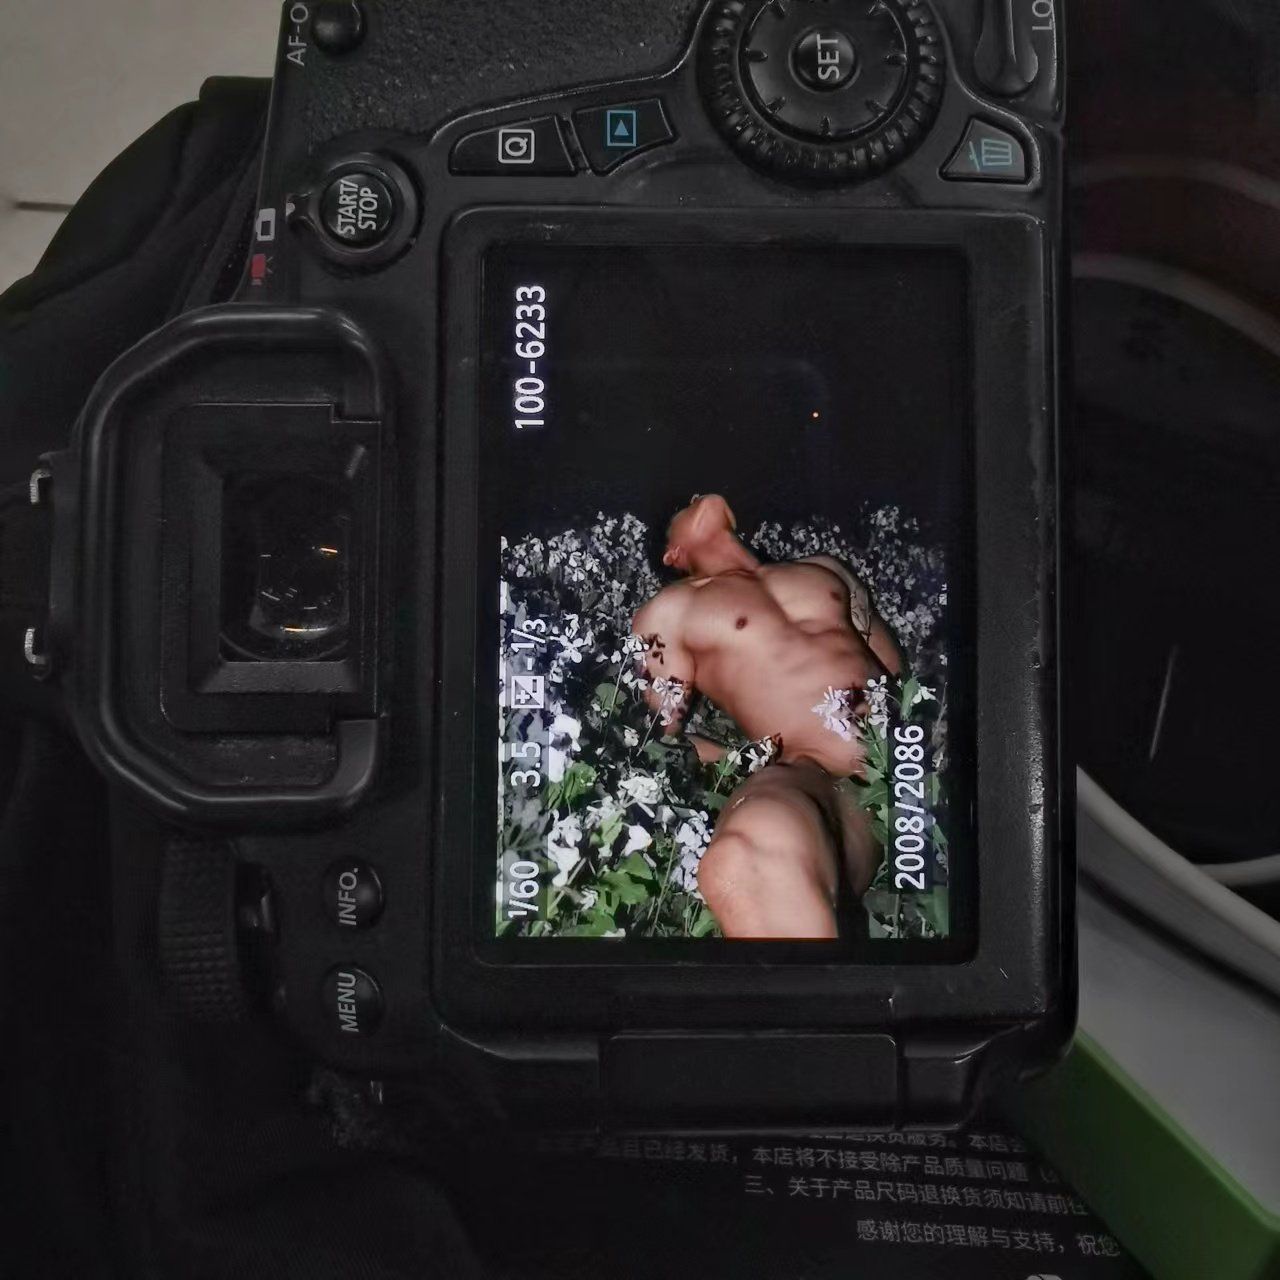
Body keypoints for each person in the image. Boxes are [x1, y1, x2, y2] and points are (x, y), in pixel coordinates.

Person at [632, 495, 903, 939]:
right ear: (673, 554)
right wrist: (742, 761)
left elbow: (896, 673)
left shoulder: (824, 570)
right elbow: (656, 742)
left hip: (912, 761)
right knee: (752, 848)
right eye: (684, 506)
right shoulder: (669, 613)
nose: (696, 496)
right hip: (835, 787)